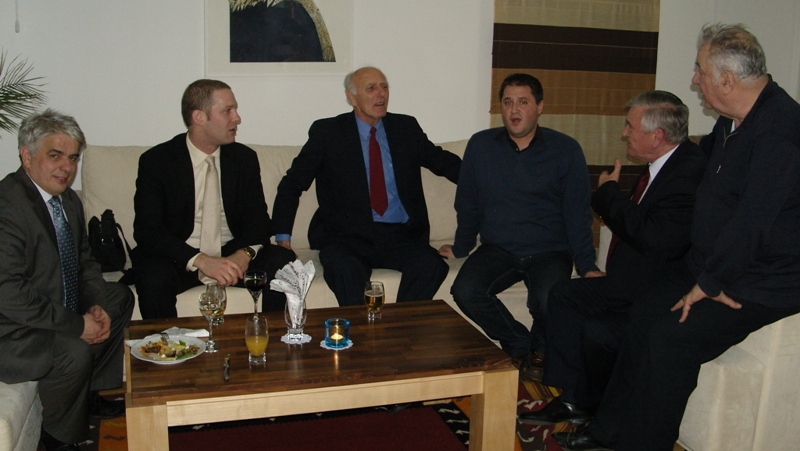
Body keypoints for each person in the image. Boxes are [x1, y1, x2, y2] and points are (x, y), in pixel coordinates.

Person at [557, 24, 800, 451]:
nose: (694, 80)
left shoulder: (781, 131)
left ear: (727, 80)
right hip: (712, 264)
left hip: (759, 280)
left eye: (700, 71)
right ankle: (608, 433)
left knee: (669, 339)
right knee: (641, 317)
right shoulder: (732, 122)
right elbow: (698, 175)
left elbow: (753, 222)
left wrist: (710, 282)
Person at [519, 90, 707, 426]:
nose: (624, 133)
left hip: (655, 288)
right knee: (563, 296)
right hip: (632, 279)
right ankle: (573, 398)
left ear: (657, 136)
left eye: (630, 126)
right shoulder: (662, 164)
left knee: (596, 328)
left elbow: (651, 236)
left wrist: (608, 195)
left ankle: (590, 405)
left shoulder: (688, 173)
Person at [440, 73, 599, 371]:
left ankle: (540, 350)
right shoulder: (481, 145)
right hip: (499, 249)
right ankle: (521, 344)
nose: (514, 110)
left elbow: (577, 213)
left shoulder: (566, 149)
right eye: (507, 102)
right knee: (465, 291)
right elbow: (468, 203)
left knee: (547, 301)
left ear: (540, 106)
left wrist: (587, 265)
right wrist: (461, 246)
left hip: (550, 251)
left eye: (523, 102)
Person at [0, 109, 135, 451]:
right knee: (73, 350)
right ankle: (58, 437)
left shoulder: (68, 200)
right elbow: (9, 295)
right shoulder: (7, 206)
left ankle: (89, 394)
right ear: (26, 156)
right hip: (11, 329)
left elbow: (85, 263)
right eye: (55, 156)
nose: (66, 167)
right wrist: (77, 325)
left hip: (50, 308)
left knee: (119, 298)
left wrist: (96, 306)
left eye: (73, 158)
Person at [272, 66, 461, 306]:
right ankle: (361, 327)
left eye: (384, 87)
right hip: (346, 237)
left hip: (399, 236)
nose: (380, 94)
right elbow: (292, 184)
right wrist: (283, 237)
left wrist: (484, 177)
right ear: (352, 97)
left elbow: (442, 162)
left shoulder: (405, 128)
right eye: (371, 88)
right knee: (344, 269)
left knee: (431, 265)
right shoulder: (328, 133)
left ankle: (399, 323)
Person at [132, 79, 294, 319]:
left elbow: (259, 221)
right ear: (199, 117)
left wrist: (244, 254)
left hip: (231, 252)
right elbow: (148, 231)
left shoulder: (243, 159)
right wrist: (201, 260)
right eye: (227, 111)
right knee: (152, 277)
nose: (237, 118)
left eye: (235, 109)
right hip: (180, 256)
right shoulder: (157, 161)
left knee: (282, 261)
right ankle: (166, 341)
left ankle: (272, 335)